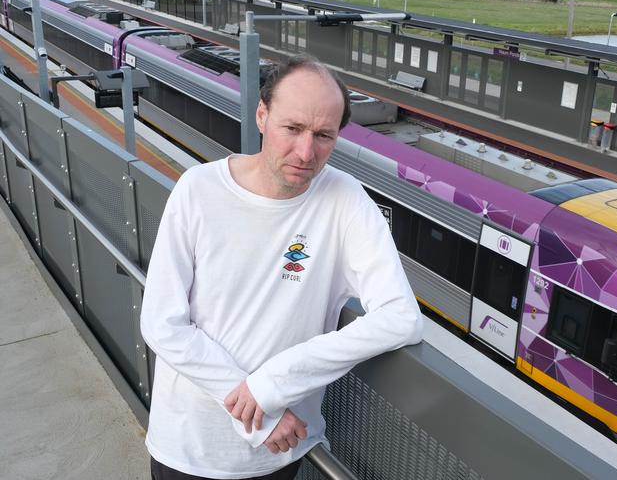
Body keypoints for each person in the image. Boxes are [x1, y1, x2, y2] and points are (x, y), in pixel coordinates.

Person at [140, 55, 422, 480]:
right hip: (190, 448)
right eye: (293, 129)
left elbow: (401, 319)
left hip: (278, 454)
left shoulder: (345, 199)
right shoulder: (197, 190)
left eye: (324, 136)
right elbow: (162, 324)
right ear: (262, 115)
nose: (306, 152)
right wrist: (259, 410)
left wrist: (272, 384)